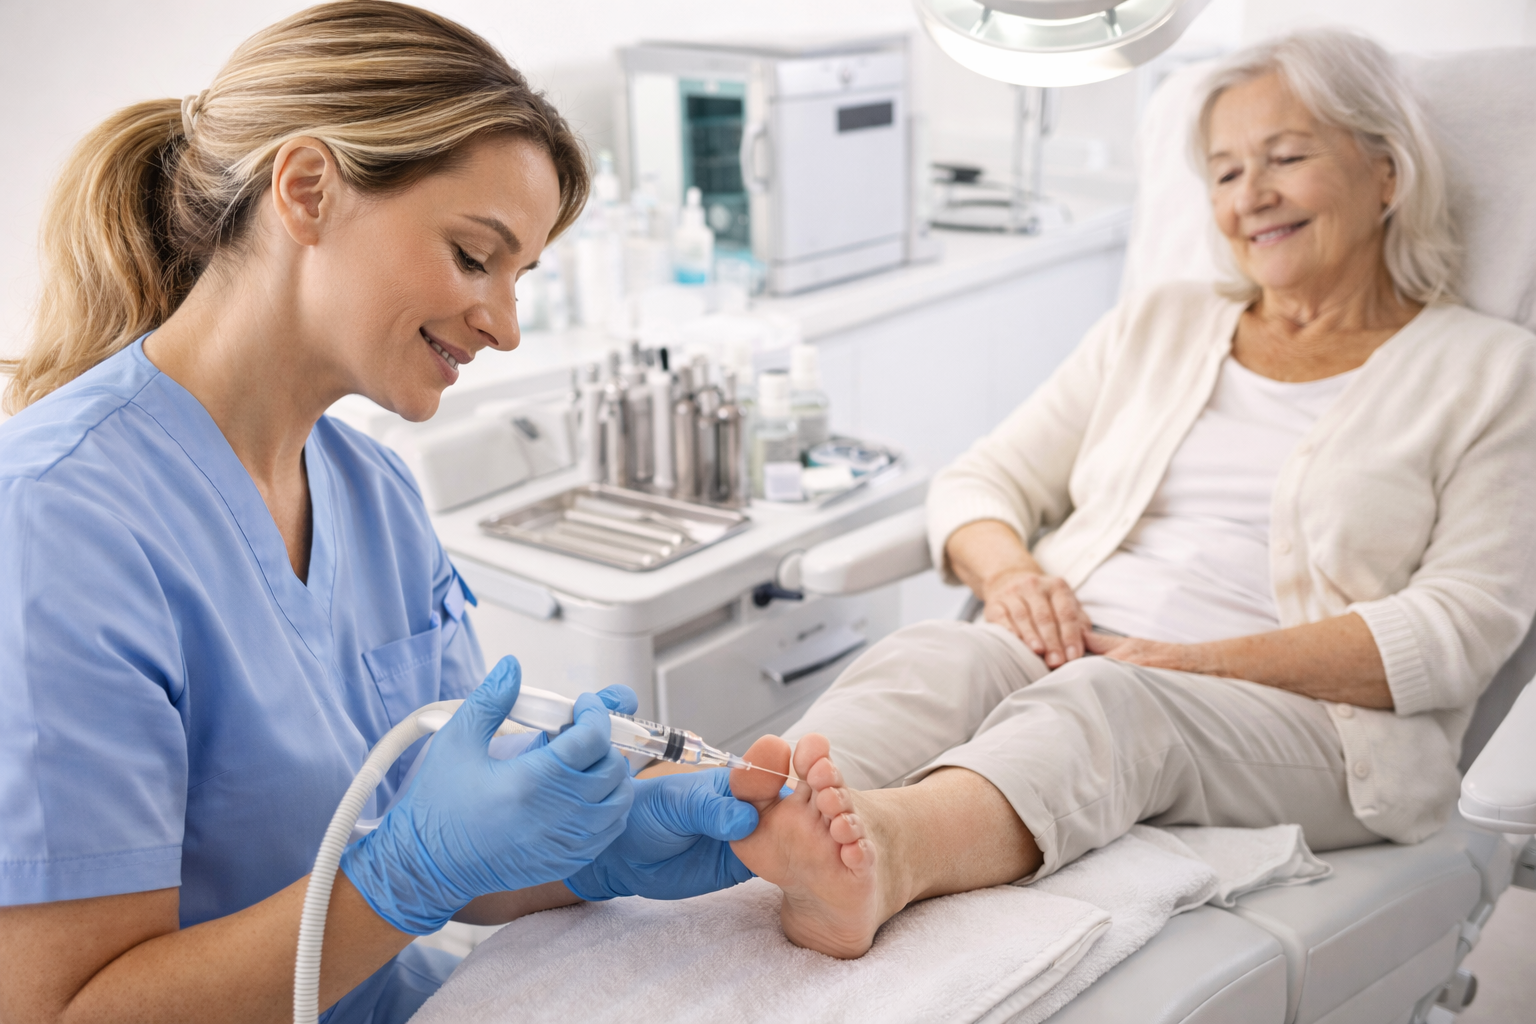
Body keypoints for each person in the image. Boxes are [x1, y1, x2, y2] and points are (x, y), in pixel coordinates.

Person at [0, 5, 759, 1022]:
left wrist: (598, 848)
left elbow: (455, 853)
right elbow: (63, 1010)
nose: (504, 324)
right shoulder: (54, 521)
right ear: (306, 189)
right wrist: (396, 874)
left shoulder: (375, 493)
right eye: (472, 256)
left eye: (521, 277)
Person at [722, 29, 1536, 960]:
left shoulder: (1494, 370)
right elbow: (983, 480)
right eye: (1225, 173)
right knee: (939, 653)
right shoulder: (1163, 321)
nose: (1249, 197)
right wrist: (1017, 578)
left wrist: (1198, 664)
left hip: (1314, 728)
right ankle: (745, 819)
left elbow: (1464, 627)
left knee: (1110, 703)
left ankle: (882, 859)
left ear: (1386, 172)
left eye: (1287, 157)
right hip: (1081, 647)